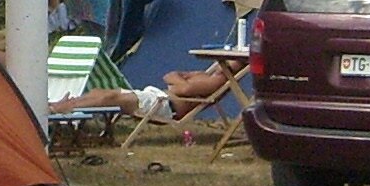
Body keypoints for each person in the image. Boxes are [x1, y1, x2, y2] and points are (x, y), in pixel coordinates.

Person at [51, 57, 240, 123]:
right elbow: (172, 79)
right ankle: (68, 104)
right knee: (99, 92)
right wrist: (176, 79)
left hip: (164, 106)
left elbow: (179, 84)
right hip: (159, 98)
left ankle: (68, 106)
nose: (218, 60)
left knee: (111, 96)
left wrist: (178, 77)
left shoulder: (217, 80)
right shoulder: (209, 76)